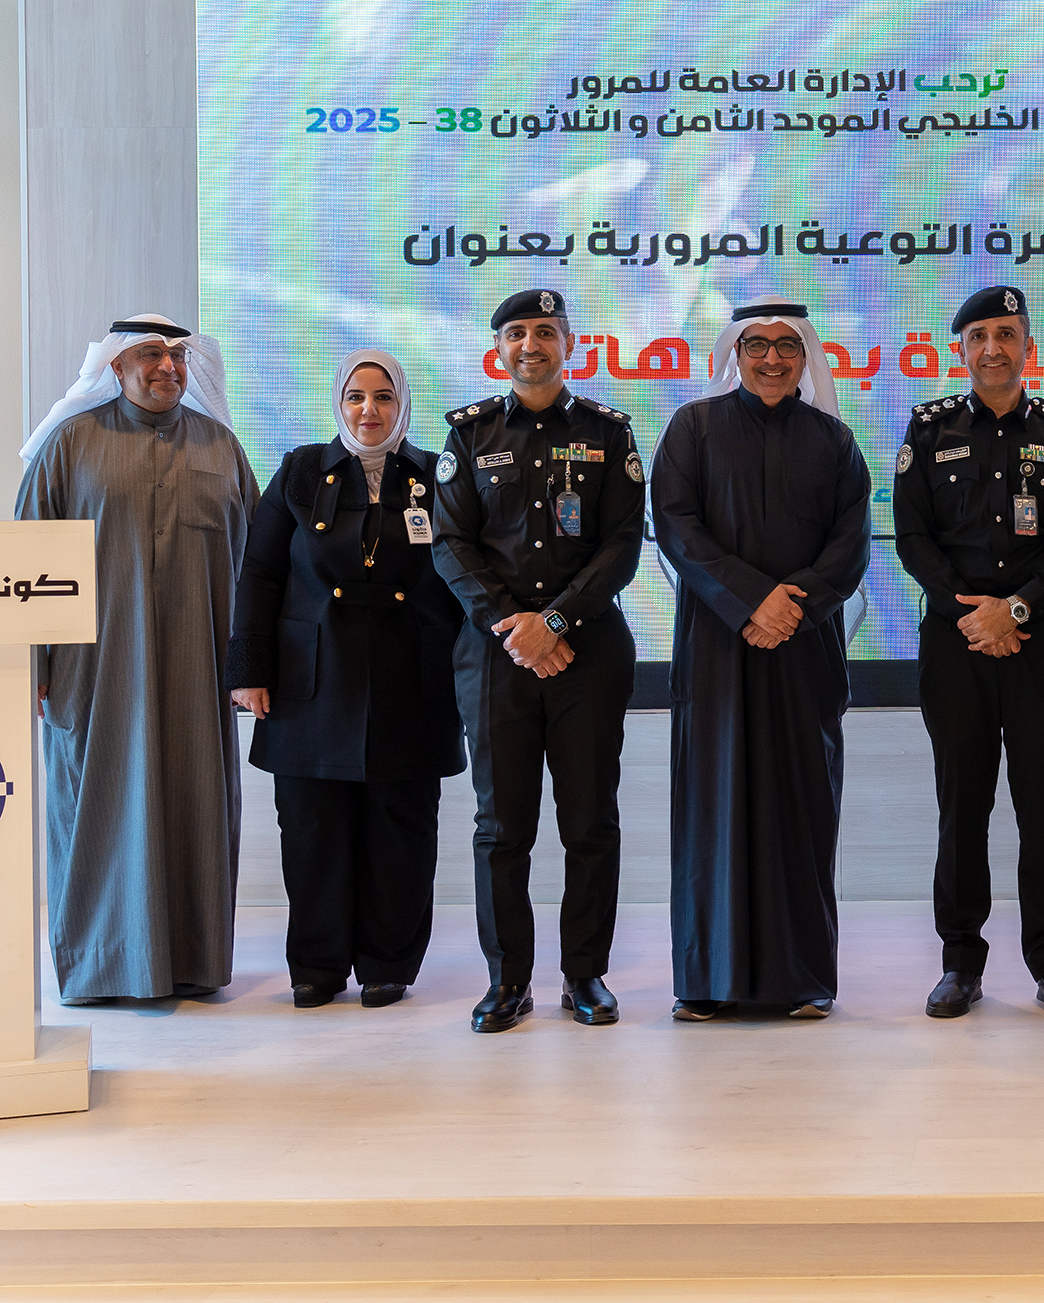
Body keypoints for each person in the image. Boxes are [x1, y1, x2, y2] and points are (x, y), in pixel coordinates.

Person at [15, 314, 257, 1004]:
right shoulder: (69, 445)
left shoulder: (221, 448)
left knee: (196, 812)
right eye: (149, 355)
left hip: (200, 674)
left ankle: (193, 962)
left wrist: (254, 668)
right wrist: (34, 667)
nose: (167, 368)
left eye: (178, 357)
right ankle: (99, 965)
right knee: (96, 815)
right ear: (114, 367)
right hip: (95, 677)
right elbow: (31, 560)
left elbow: (259, 570)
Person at [432, 287, 644, 1033]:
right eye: (518, 333)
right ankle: (506, 982)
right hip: (495, 659)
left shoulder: (609, 432)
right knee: (502, 827)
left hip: (589, 653)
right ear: (499, 350)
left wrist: (552, 622)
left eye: (546, 331)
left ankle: (585, 977)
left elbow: (622, 544)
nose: (532, 344)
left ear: (569, 344)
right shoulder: (470, 433)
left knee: (590, 823)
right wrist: (512, 628)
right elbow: (451, 544)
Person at [225, 350, 464, 1009]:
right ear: (339, 402)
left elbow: (464, 577)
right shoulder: (302, 469)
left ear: (403, 404)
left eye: (383, 397)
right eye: (356, 396)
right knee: (312, 826)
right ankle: (319, 964)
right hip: (311, 680)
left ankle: (388, 962)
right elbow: (261, 571)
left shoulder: (434, 475)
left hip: (411, 678)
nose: (369, 410)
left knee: (400, 826)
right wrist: (248, 668)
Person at [654, 297, 870, 1022]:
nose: (772, 358)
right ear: (733, 355)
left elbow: (850, 545)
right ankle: (706, 980)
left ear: (806, 357)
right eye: (757, 346)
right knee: (715, 809)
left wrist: (794, 606)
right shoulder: (693, 428)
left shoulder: (834, 441)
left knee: (802, 810)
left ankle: (803, 978)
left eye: (786, 346)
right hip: (718, 652)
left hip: (804, 653)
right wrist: (752, 602)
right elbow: (677, 529)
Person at [894, 285, 1044, 1020]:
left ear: (1028, 349)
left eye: (1006, 334)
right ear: (960, 351)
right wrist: (971, 613)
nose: (992, 348)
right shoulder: (929, 427)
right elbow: (913, 538)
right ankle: (960, 964)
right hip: (956, 648)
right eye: (978, 336)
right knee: (963, 810)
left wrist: (1016, 608)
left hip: (1041, 643)